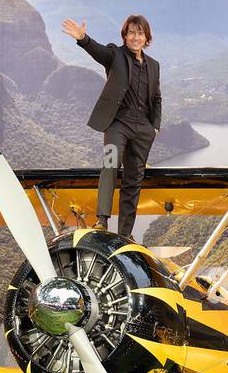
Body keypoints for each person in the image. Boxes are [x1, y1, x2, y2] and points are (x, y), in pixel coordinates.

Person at [62, 14, 162, 238]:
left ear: (147, 38)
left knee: (133, 181)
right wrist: (82, 38)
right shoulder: (115, 55)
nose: (136, 37)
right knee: (110, 165)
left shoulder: (154, 66)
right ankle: (101, 221)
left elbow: (157, 98)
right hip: (117, 125)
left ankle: (125, 234)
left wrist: (154, 126)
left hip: (143, 130)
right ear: (125, 36)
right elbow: (97, 51)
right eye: (131, 33)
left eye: (140, 33)